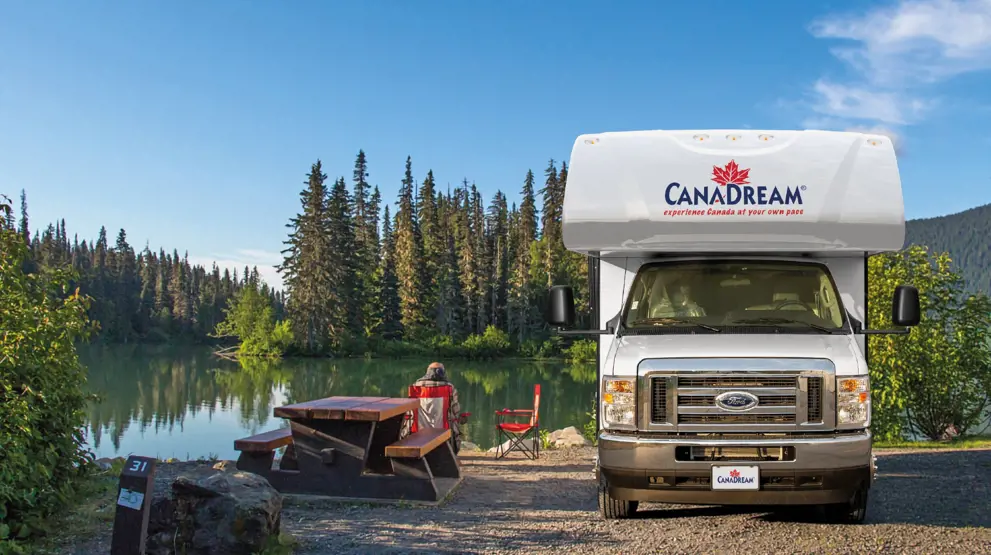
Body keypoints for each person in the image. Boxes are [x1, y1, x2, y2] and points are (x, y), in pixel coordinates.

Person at [413, 362, 463, 454]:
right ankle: (450, 452)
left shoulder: (416, 386)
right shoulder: (449, 388)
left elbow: (411, 410)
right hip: (443, 429)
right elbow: (456, 410)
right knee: (454, 421)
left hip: (419, 430)